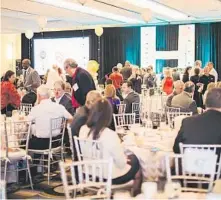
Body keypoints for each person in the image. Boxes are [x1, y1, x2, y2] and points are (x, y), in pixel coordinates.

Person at [79, 99, 141, 194]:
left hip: (88, 173)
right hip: (108, 176)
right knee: (137, 162)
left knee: (131, 158)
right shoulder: (109, 134)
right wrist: (125, 158)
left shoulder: (83, 130)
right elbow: (121, 164)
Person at [173, 88, 221, 154]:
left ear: (205, 102)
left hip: (190, 163)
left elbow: (177, 149)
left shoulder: (187, 121)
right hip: (216, 163)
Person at [28, 84, 73, 150]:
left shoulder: (36, 109)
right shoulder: (59, 107)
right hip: (56, 142)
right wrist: (64, 125)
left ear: (38, 96)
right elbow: (71, 118)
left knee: (24, 143)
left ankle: (36, 160)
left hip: (40, 143)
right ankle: (45, 158)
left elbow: (27, 122)